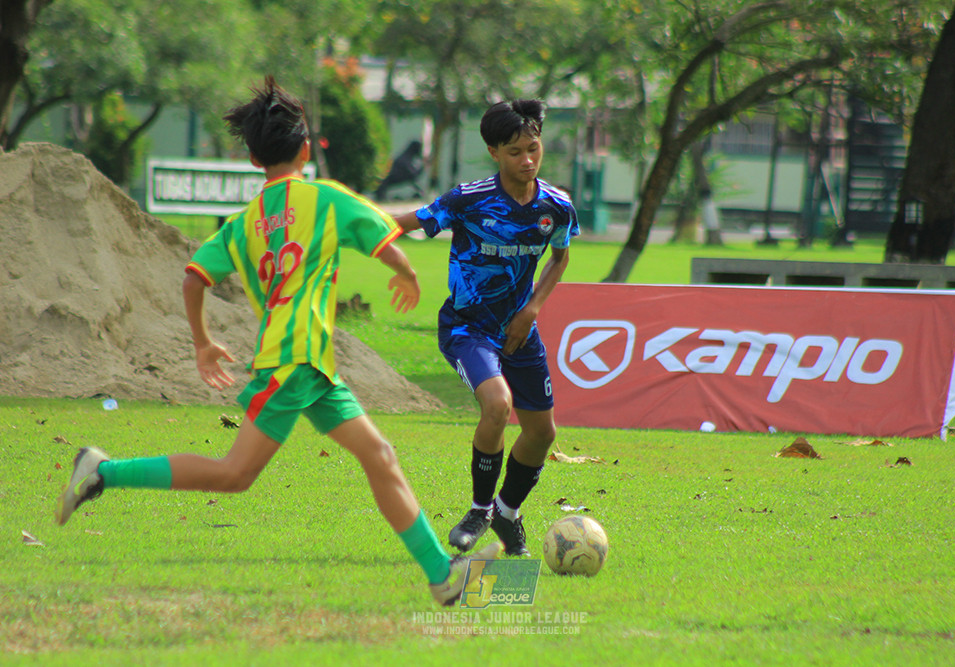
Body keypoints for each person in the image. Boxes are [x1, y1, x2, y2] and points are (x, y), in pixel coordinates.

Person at [54, 76, 499, 606]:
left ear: (252, 161)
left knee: (379, 455)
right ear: (307, 150)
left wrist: (202, 342)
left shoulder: (244, 223)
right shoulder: (324, 199)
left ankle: (442, 575)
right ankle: (102, 472)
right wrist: (404, 271)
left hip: (311, 368)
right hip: (294, 363)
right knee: (234, 474)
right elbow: (384, 239)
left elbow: (194, 277)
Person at [394, 99, 579, 557]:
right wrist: (348, 228)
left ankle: (507, 514)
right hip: (466, 328)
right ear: (494, 151)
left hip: (519, 331)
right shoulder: (469, 199)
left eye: (533, 149)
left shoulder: (556, 206)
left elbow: (560, 257)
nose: (527, 160)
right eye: (515, 151)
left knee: (542, 434)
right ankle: (479, 510)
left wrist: (533, 308)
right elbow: (412, 222)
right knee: (497, 406)